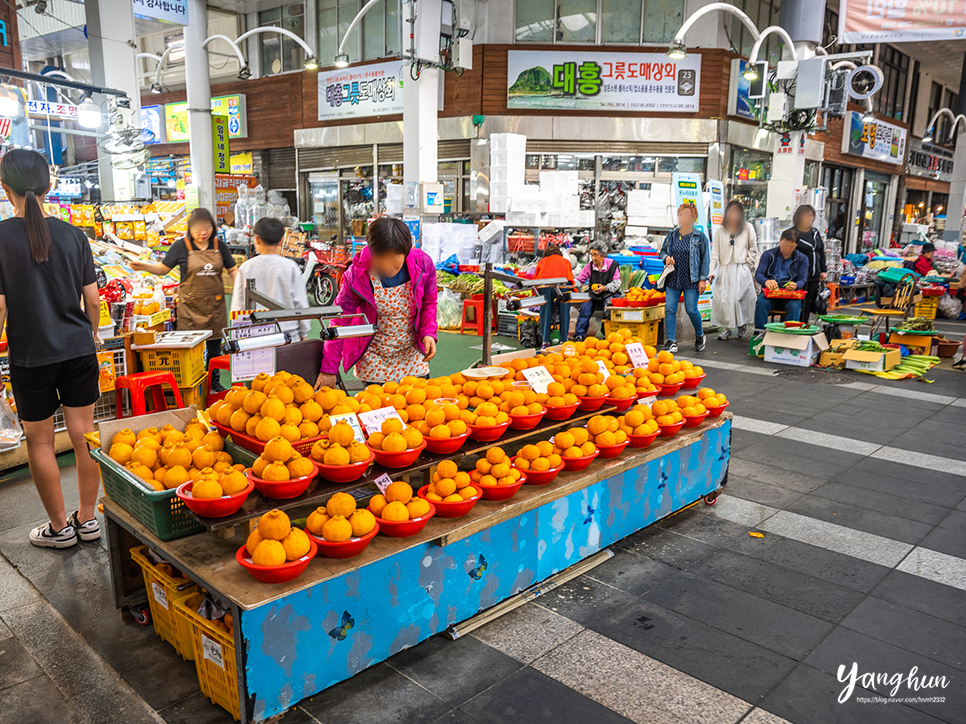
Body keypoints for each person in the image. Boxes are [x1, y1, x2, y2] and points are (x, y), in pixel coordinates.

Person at [0, 149, 102, 549]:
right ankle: (88, 520)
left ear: (6, 188)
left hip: (31, 356)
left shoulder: (2, 237)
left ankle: (59, 528)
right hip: (78, 350)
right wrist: (90, 334)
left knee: (40, 442)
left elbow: (1, 307)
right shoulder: (73, 234)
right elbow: (92, 300)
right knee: (85, 436)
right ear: (49, 185)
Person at [315, 217, 437, 388]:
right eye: (381, 258)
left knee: (416, 406)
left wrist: (428, 332)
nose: (387, 266)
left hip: (412, 353)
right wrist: (329, 368)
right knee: (377, 408)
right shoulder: (357, 275)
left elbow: (429, 302)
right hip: (374, 357)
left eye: (394, 258)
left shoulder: (423, 264)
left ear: (406, 251)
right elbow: (340, 320)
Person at [131, 208, 238, 390]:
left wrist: (238, 291)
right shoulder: (181, 246)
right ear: (190, 227)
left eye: (207, 228)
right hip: (191, 307)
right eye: (198, 228)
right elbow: (164, 269)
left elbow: (233, 269)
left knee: (214, 347)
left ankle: (214, 382)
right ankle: (193, 384)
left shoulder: (219, 245)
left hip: (215, 305)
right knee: (190, 348)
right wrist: (145, 266)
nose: (203, 232)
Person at [230, 217, 311, 341]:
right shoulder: (291, 267)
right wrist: (304, 333)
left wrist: (238, 336)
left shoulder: (246, 268)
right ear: (281, 241)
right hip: (289, 335)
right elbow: (301, 304)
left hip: (256, 336)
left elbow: (238, 306)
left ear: (256, 239)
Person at [660, 203, 711, 353]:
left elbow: (705, 260)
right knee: (670, 308)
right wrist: (666, 258)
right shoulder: (672, 235)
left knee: (691, 309)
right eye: (681, 215)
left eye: (686, 215)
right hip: (673, 277)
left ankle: (700, 335)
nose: (683, 218)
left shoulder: (700, 237)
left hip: (691, 279)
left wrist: (703, 279)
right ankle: (671, 341)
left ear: (693, 217)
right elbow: (662, 251)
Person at [710, 200, 758, 340]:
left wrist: (748, 265)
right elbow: (715, 253)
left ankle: (742, 324)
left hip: (741, 269)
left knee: (739, 299)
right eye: (731, 211)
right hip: (725, 269)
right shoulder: (720, 230)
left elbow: (753, 249)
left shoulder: (747, 228)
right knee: (724, 300)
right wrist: (712, 271)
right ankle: (727, 329)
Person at [754, 229, 809, 330]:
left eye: (791, 247)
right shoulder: (768, 255)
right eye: (785, 245)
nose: (788, 249)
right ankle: (759, 333)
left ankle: (789, 335)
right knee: (761, 302)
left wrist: (796, 285)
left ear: (796, 245)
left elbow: (802, 279)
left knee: (795, 306)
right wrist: (766, 281)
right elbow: (758, 274)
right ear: (780, 240)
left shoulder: (802, 258)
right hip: (770, 293)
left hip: (790, 295)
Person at [786, 204, 827, 322]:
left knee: (808, 304)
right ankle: (790, 325)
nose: (809, 219)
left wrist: (823, 270)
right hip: (796, 276)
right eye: (806, 216)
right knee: (795, 303)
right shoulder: (792, 233)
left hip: (814, 274)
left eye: (811, 216)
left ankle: (803, 326)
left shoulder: (815, 233)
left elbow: (821, 251)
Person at [573, 241, 620, 339]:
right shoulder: (589, 266)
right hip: (594, 294)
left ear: (602, 254)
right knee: (585, 307)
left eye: (596, 255)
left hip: (608, 294)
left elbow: (617, 283)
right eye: (591, 255)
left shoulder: (613, 265)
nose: (593, 258)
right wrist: (570, 284)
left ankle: (606, 334)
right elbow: (579, 279)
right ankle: (579, 335)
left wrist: (605, 287)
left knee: (608, 308)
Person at [534, 244, 574, 347]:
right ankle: (563, 341)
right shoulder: (566, 261)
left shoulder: (542, 262)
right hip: (563, 286)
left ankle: (545, 342)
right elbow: (570, 278)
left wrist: (537, 294)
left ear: (546, 254)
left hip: (546, 286)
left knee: (545, 312)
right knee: (564, 312)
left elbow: (536, 280)